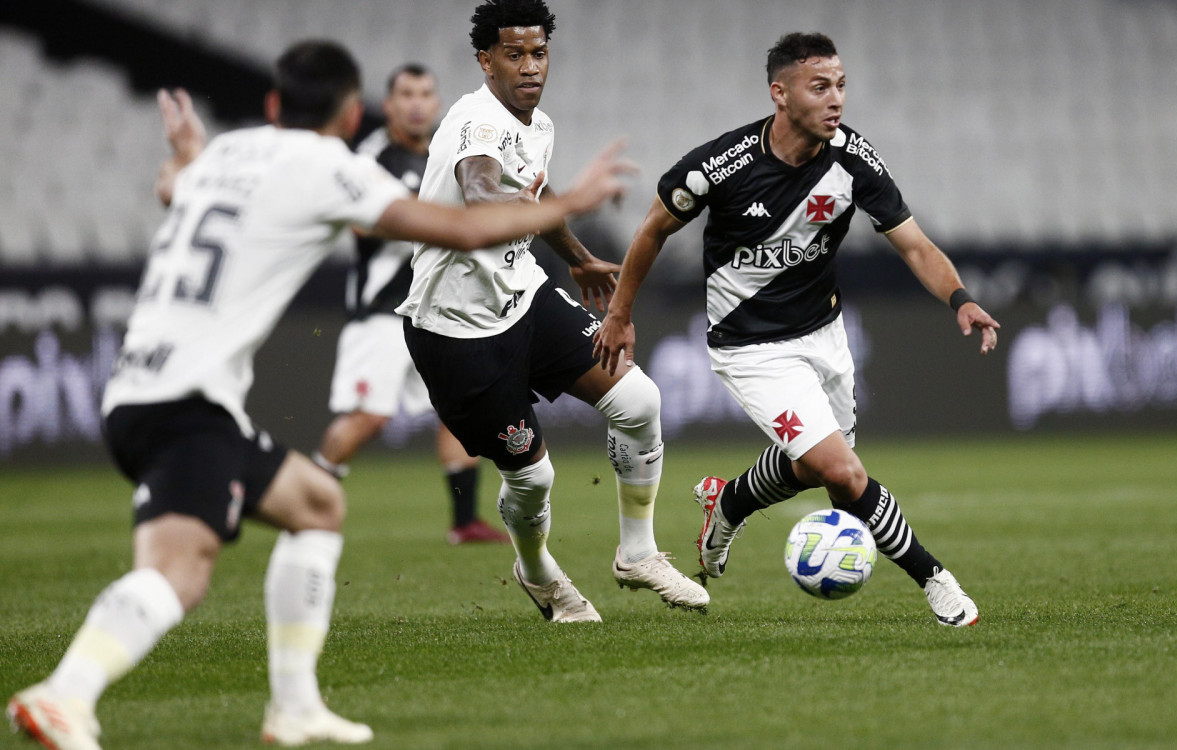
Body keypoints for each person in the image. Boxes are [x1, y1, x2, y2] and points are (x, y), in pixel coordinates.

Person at [6, 39, 634, 750]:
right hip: (186, 402)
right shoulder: (331, 164)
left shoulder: (227, 152)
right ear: (347, 115)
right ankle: (64, 695)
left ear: (273, 105)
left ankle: (296, 708)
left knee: (316, 503)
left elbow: (170, 190)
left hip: (139, 388)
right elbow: (458, 226)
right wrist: (574, 203)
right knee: (178, 575)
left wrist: (187, 153)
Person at [593, 32, 1000, 627]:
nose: (836, 99)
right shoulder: (721, 164)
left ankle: (727, 500)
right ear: (779, 94)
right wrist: (620, 314)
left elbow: (914, 244)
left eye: (840, 86)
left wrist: (960, 299)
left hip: (825, 337)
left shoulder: (853, 159)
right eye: (820, 87)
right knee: (843, 473)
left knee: (822, 472)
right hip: (751, 346)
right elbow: (653, 228)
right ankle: (937, 581)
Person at [398, 0, 709, 623]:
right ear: (485, 61)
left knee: (640, 402)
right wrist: (571, 201)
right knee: (533, 480)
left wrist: (578, 255)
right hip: (458, 331)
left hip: (525, 296)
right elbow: (488, 202)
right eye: (513, 54)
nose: (530, 66)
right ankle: (538, 572)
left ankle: (637, 552)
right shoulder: (476, 124)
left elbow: (529, 197)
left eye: (538, 52)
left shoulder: (535, 123)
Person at [313, 63, 507, 545]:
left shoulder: (445, 154)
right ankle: (310, 498)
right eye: (406, 94)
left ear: (438, 104)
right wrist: (432, 217)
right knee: (370, 419)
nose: (417, 102)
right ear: (390, 104)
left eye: (425, 93)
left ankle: (464, 522)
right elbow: (361, 222)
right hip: (380, 312)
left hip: (435, 310)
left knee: (458, 411)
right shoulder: (373, 155)